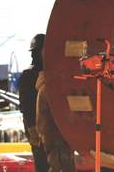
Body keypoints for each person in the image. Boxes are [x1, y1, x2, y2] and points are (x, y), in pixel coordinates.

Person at [35, 37, 76, 172]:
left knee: (57, 165)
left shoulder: (45, 86)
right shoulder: (49, 89)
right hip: (56, 137)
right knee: (61, 166)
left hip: (51, 137)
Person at [18, 34, 49, 172]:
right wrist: (32, 129)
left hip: (49, 128)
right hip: (37, 127)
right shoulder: (29, 75)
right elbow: (26, 106)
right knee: (42, 163)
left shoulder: (49, 73)